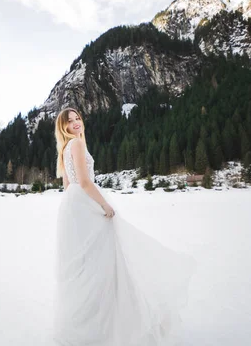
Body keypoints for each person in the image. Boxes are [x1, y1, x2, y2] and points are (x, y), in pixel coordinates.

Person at [52, 107, 197, 346]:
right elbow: (85, 182)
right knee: (106, 264)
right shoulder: (76, 145)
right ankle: (111, 325)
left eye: (78, 118)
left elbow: (68, 186)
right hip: (85, 206)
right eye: (70, 121)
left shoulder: (64, 148)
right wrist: (104, 206)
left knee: (87, 268)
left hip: (72, 210)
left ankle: (88, 325)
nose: (77, 122)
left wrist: (77, 210)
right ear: (63, 127)